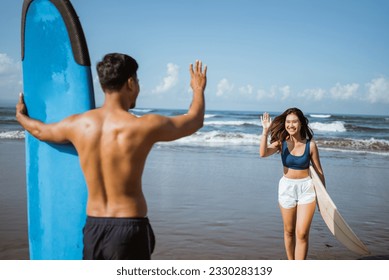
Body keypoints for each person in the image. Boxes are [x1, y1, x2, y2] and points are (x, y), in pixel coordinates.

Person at [16, 53, 207, 260]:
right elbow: (194, 120)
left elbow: (41, 131)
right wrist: (197, 89)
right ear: (131, 83)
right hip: (129, 230)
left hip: (93, 228)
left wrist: (21, 117)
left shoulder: (78, 124)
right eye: (138, 81)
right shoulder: (143, 126)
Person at [259, 108, 325, 260]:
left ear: (301, 123)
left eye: (294, 121)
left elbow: (319, 172)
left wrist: (322, 198)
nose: (291, 125)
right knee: (289, 231)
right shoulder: (281, 143)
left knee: (301, 233)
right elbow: (262, 153)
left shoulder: (311, 145)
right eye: (288, 122)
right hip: (286, 188)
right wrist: (265, 131)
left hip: (307, 189)